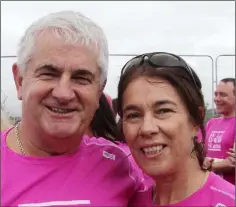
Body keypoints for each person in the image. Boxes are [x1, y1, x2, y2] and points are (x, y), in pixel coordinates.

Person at [1, 11, 147, 206]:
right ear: (20, 80)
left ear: (99, 92)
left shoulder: (117, 165)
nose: (64, 93)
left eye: (81, 78)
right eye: (49, 73)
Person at [116, 52, 235, 206]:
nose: (146, 128)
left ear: (195, 121)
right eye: (133, 115)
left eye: (163, 111)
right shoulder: (128, 202)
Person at [204, 78, 235, 184]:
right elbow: (198, 152)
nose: (217, 99)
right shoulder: (211, 123)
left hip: (230, 193)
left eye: (223, 95)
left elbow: (232, 163)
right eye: (216, 94)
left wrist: (205, 167)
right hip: (209, 189)